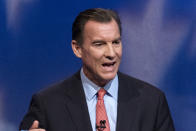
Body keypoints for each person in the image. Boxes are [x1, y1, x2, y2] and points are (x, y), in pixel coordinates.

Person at [19, 8, 175, 131]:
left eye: (116, 42)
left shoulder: (152, 101)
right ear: (77, 48)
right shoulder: (48, 103)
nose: (111, 53)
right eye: (99, 44)